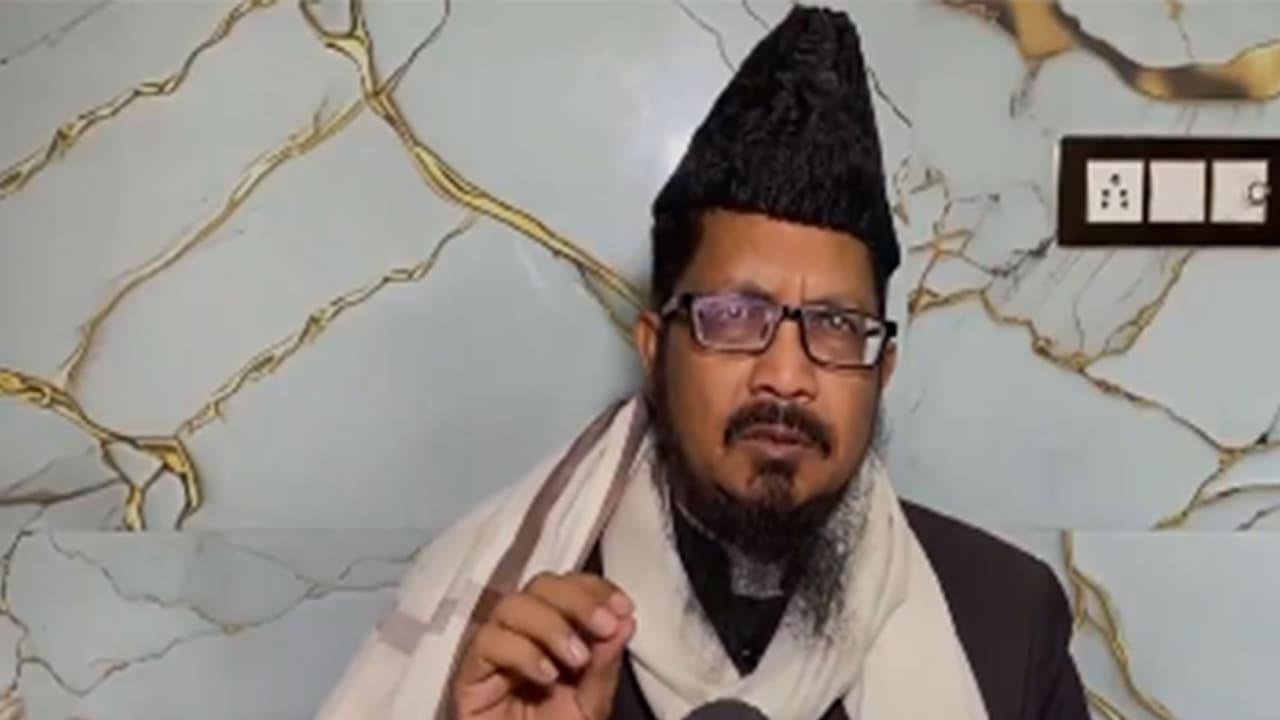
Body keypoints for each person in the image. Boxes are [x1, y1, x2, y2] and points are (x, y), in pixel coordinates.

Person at [318, 6, 1089, 720]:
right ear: (655, 350)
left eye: (835, 325)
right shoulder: (519, 629)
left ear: (881, 373)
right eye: (735, 316)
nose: (786, 376)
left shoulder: (1005, 625)